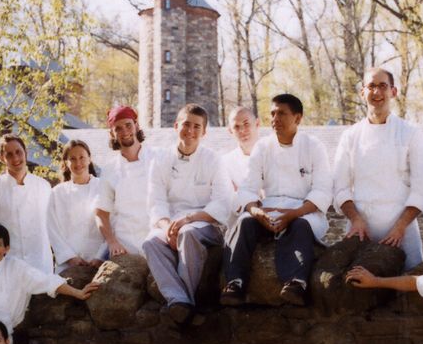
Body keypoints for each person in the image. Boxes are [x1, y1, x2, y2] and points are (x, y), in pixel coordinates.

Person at [220, 93, 332, 307]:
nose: (275, 119)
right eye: (272, 113)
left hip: (303, 211)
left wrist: (293, 214)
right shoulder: (263, 147)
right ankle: (235, 282)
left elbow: (323, 191)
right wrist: (256, 211)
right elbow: (248, 189)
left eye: (281, 113)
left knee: (300, 226)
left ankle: (296, 283)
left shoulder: (313, 146)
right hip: (270, 209)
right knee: (244, 222)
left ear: (297, 118)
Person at [141, 103, 234, 325]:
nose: (190, 131)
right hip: (171, 223)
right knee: (150, 242)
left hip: (204, 223)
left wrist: (188, 220)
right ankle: (179, 300)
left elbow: (222, 203)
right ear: (176, 126)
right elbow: (156, 202)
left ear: (204, 132)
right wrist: (166, 228)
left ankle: (185, 304)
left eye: (196, 126)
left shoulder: (213, 160)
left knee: (188, 233)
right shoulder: (161, 160)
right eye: (186, 125)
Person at [332, 67, 423, 271]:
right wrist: (356, 220)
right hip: (361, 231)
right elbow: (340, 188)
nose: (376, 92)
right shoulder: (350, 137)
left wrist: (400, 228)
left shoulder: (411, 133)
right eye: (371, 86)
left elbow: (422, 189)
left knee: (409, 293)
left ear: (393, 92)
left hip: (403, 233)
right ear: (362, 92)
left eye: (383, 86)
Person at [0, 133, 56, 277]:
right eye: (9, 154)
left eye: (18, 152)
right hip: (6, 268)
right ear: (1, 158)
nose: (15, 158)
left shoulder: (43, 186)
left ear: (26, 152)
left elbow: (53, 226)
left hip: (41, 265)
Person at [96, 105, 155, 257]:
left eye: (128, 125)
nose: (125, 132)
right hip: (124, 248)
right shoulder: (109, 170)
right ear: (112, 133)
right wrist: (112, 242)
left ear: (136, 125)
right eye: (118, 128)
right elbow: (101, 213)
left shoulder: (158, 159)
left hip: (157, 243)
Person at [47, 139, 107, 275]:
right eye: (72, 159)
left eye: (82, 157)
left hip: (99, 264)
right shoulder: (57, 193)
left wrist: (100, 256)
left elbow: (113, 223)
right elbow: (51, 229)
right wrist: (70, 258)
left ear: (89, 159)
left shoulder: (103, 187)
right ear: (66, 163)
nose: (78, 163)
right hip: (67, 265)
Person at [222, 105, 261, 193]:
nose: (242, 130)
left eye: (246, 124)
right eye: (236, 127)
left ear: (257, 123)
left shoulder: (273, 154)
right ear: (230, 130)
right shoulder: (225, 163)